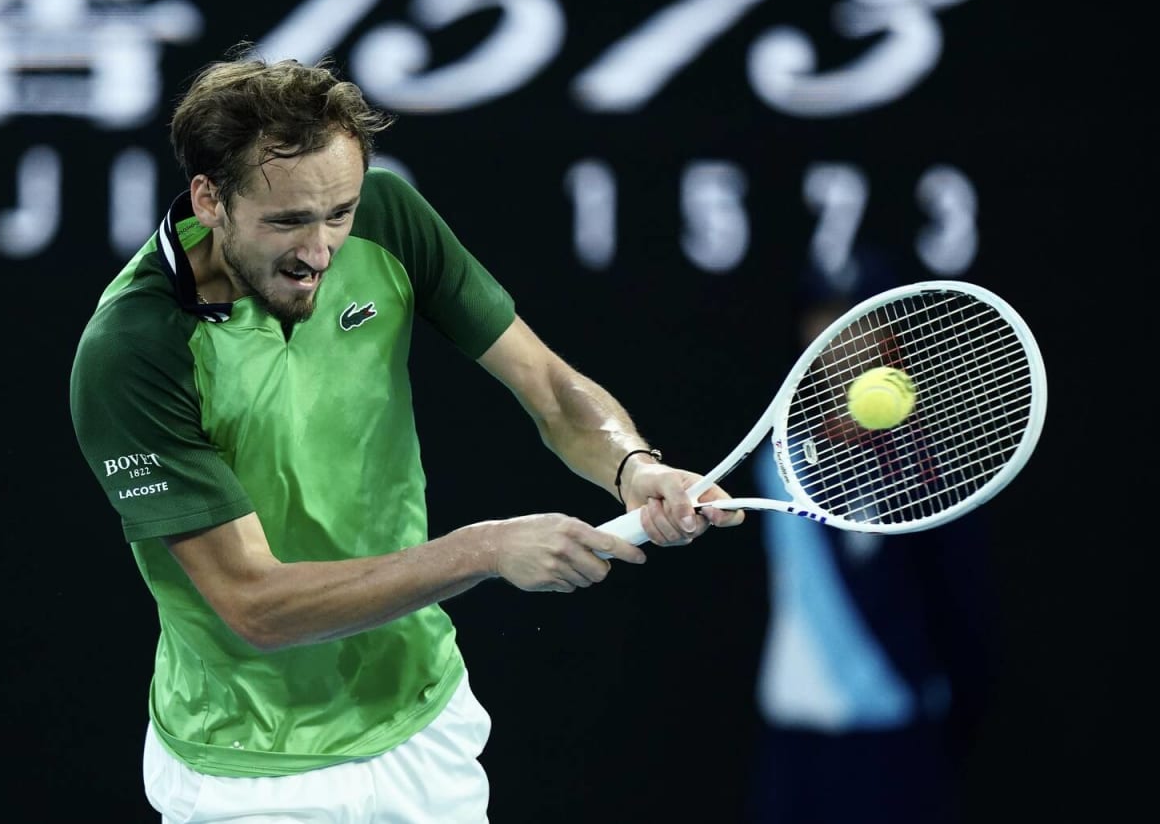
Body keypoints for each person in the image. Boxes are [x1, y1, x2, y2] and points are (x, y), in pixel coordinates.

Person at [68, 44, 743, 823]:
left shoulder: (390, 218)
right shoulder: (135, 348)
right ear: (209, 200)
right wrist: (486, 549)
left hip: (424, 725)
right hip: (251, 771)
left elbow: (552, 389)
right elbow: (255, 606)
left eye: (339, 213)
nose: (320, 249)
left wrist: (632, 468)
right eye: (288, 220)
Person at [745, 252, 1000, 824]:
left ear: (889, 335)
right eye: (826, 319)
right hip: (791, 739)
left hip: (892, 736)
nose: (841, 338)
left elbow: (963, 599)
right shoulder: (777, 459)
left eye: (859, 320)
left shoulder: (932, 467)